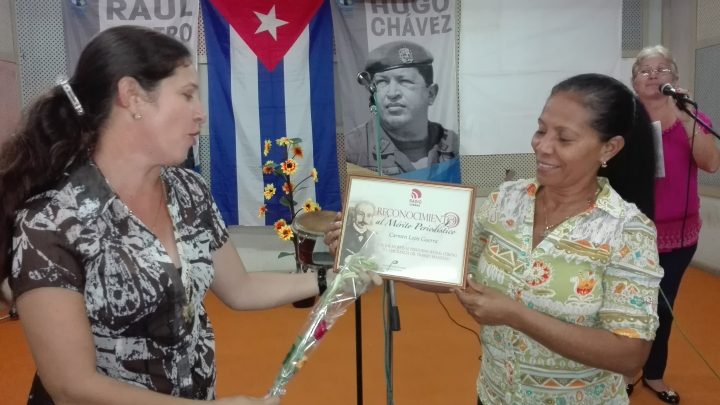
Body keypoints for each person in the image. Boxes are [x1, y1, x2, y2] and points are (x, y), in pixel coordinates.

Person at [0, 25, 337, 404]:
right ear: (132, 97)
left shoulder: (189, 191)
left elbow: (241, 289)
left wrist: (335, 279)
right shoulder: (52, 220)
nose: (201, 115)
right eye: (187, 95)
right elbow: (71, 387)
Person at [326, 73, 663, 404]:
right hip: (494, 394)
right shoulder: (508, 200)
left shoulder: (627, 231)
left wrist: (514, 314)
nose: (542, 147)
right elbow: (451, 269)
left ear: (610, 147)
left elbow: (630, 354)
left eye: (564, 138)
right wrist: (375, 250)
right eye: (541, 130)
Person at [624, 45, 720, 404]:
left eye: (662, 68)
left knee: (663, 309)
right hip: (632, 233)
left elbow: (711, 164)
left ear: (674, 79)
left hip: (678, 236)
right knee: (631, 308)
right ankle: (624, 369)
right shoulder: (623, 119)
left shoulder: (693, 118)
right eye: (645, 70)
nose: (653, 74)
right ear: (634, 81)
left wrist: (685, 118)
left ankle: (653, 373)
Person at [344, 40, 459, 178]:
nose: (392, 93)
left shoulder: (453, 143)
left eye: (405, 81)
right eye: (382, 82)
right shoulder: (352, 149)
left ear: (431, 94)